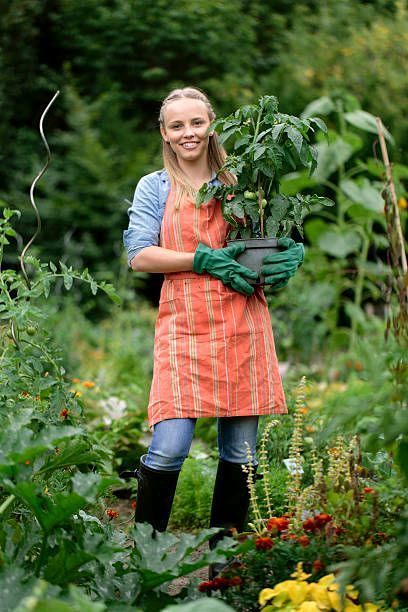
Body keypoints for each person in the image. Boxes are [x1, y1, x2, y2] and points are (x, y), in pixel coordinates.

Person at [123, 86, 304, 576]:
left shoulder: (243, 181)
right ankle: (145, 562)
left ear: (211, 125)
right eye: (177, 125)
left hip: (242, 320)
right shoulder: (154, 187)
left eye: (196, 123)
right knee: (169, 446)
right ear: (164, 133)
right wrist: (202, 258)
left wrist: (291, 253)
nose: (188, 133)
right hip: (183, 323)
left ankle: (223, 570)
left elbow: (275, 236)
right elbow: (139, 255)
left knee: (241, 452)